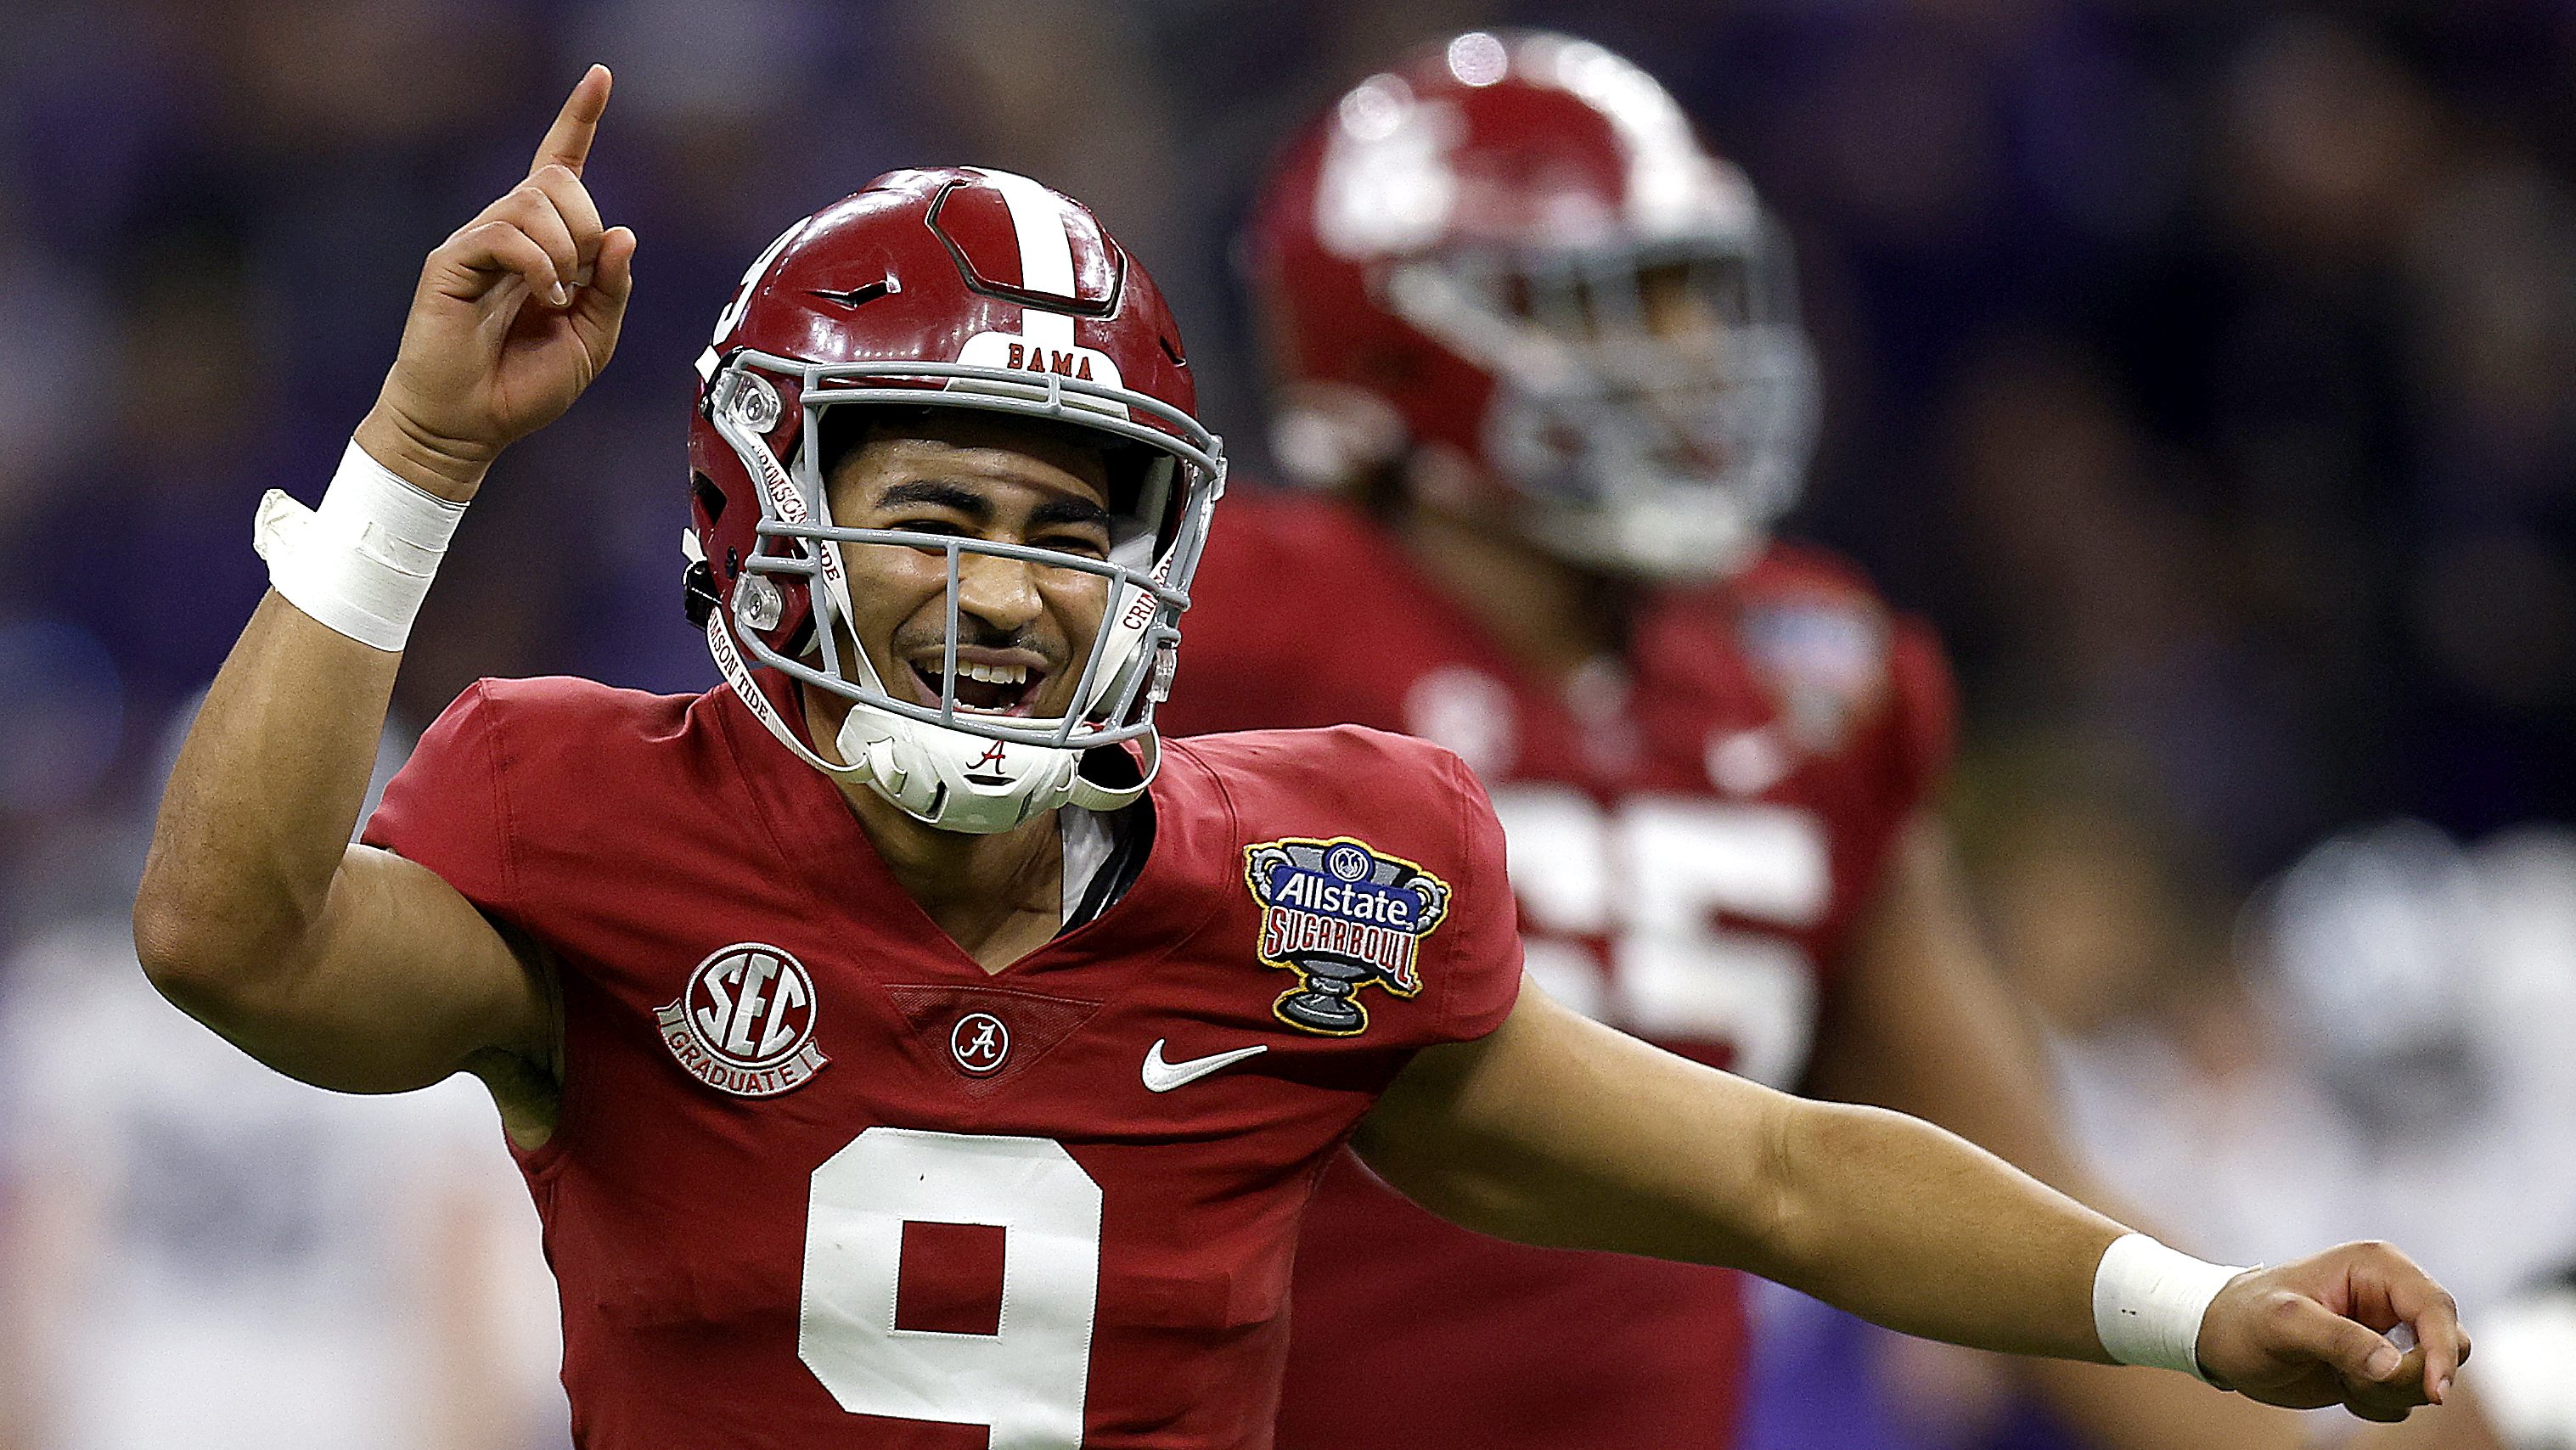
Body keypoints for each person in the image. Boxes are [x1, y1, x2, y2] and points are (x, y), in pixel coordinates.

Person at [131, 65, 2468, 1449]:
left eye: (1074, 521)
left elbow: (1774, 1174)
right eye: (932, 507)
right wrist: (415, 457)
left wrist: (2191, 1303)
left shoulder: (1316, 878)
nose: (1008, 583)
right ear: (763, 509)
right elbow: (231, 935)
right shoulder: (596, 814)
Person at [1161, 30, 2499, 1450]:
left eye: (1695, 296)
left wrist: (2317, 1426)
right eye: (1617, 306)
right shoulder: (1220, 623)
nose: (1688, 355)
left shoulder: (1803, 672)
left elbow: (2003, 1181)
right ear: (1401, 335)